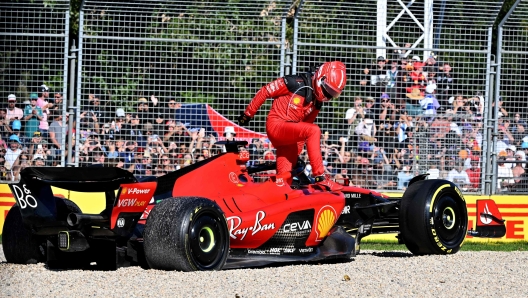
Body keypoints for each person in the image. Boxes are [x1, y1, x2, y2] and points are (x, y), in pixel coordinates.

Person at [237, 61, 347, 191]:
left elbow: (304, 127)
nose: (328, 95)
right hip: (276, 126)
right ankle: (320, 177)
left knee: (283, 185)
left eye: (333, 94)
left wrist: (296, 155)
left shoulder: (317, 102)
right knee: (315, 131)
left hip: (289, 139)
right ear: (320, 78)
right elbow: (265, 90)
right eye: (328, 90)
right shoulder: (294, 82)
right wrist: (248, 114)